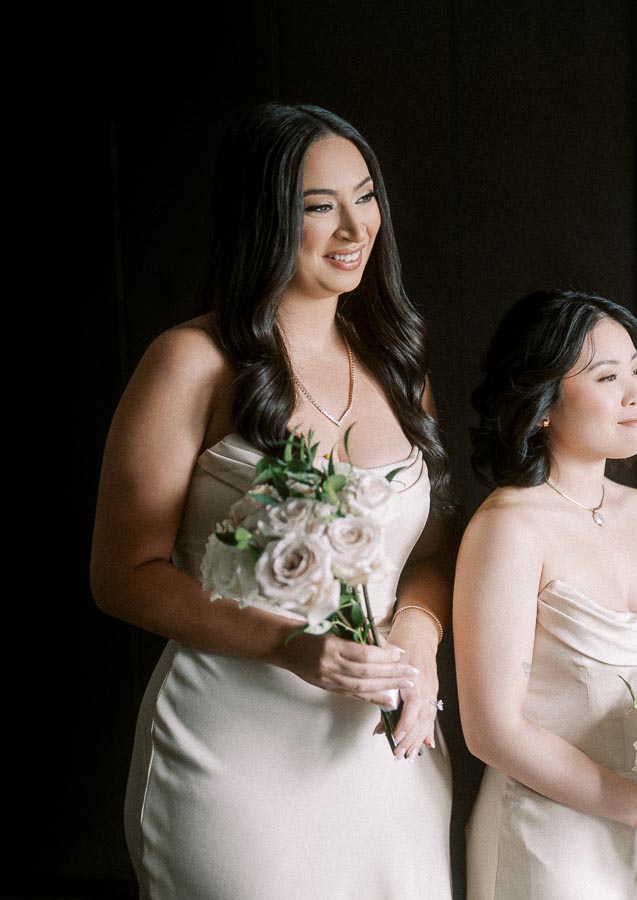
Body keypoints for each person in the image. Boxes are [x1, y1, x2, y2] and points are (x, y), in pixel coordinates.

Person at [90, 103, 453, 898]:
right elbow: (123, 572)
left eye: (365, 198)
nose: (354, 228)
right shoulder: (192, 361)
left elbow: (427, 557)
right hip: (233, 749)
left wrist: (420, 653)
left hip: (381, 749)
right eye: (318, 208)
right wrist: (284, 644)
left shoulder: (398, 366)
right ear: (262, 219)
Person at [455, 290, 637, 900]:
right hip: (547, 841)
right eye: (607, 376)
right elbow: (492, 729)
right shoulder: (509, 525)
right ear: (541, 403)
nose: (636, 393)